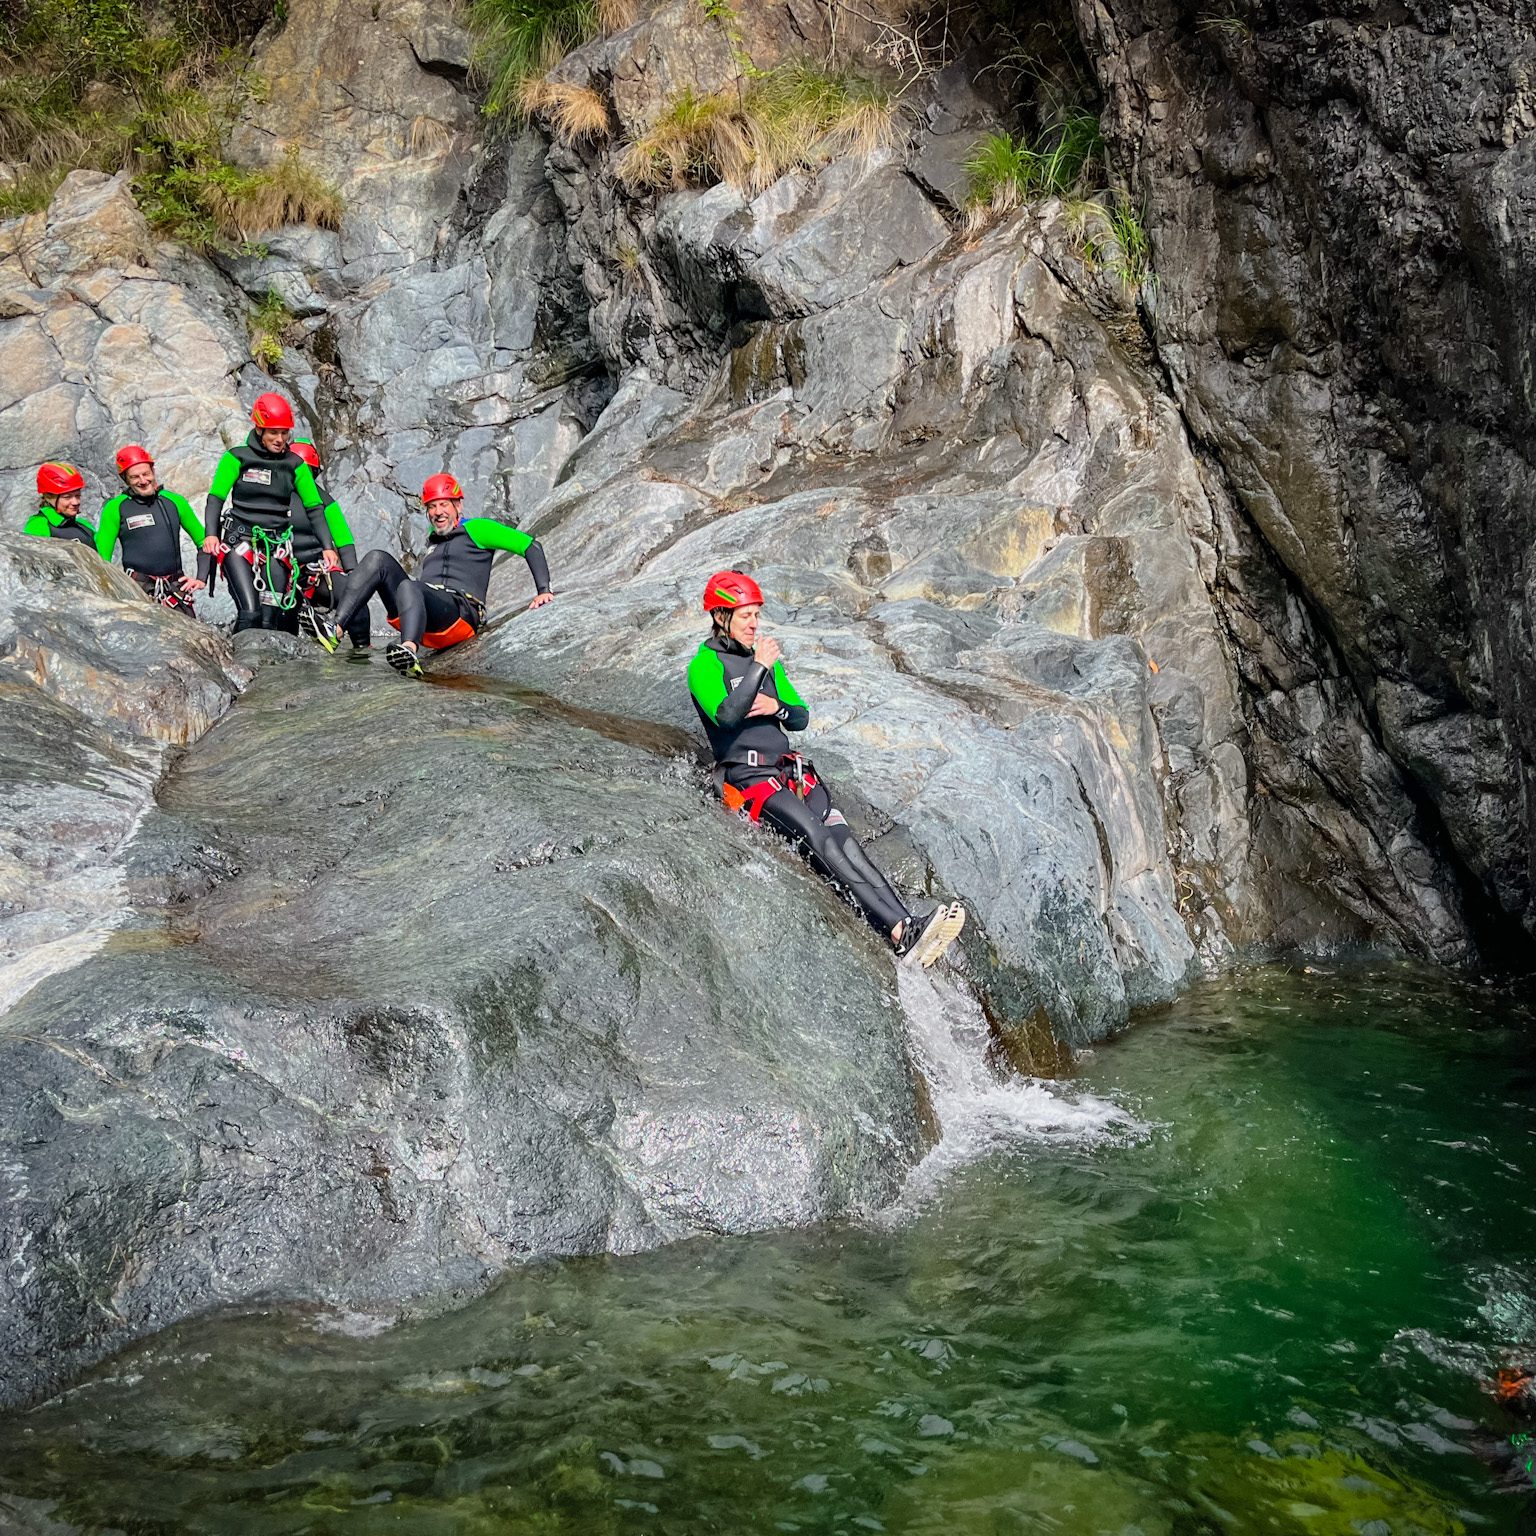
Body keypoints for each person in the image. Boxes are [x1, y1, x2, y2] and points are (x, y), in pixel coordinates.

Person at [687, 569, 965, 967]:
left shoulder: (763, 660)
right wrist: (760, 668)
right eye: (745, 615)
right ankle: (900, 931)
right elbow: (728, 717)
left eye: (756, 615)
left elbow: (799, 716)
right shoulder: (704, 665)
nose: (754, 624)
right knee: (818, 837)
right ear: (720, 617)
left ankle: (907, 922)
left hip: (787, 770)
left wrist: (776, 706)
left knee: (844, 839)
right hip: (748, 778)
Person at [307, 473, 554, 676]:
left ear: (458, 505)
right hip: (426, 613)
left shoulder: (478, 528)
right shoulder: (432, 538)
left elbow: (530, 545)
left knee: (410, 586)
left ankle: (409, 649)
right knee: (377, 558)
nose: (437, 512)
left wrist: (544, 590)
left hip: (460, 612)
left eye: (444, 504)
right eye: (432, 506)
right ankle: (335, 630)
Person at [204, 393, 339, 633]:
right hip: (239, 543)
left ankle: (269, 669)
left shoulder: (295, 464)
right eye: (273, 432)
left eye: (284, 433)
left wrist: (328, 547)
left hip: (276, 546)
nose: (279, 439)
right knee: (250, 611)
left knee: (271, 617)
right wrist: (211, 535)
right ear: (259, 429)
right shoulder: (236, 458)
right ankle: (239, 665)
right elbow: (215, 499)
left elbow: (315, 509)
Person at [95, 445, 211, 616]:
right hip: (137, 590)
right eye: (135, 477)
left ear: (153, 471)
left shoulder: (174, 502)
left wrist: (201, 578)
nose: (143, 481)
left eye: (146, 474)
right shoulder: (115, 508)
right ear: (125, 479)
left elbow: (204, 542)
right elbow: (100, 559)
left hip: (175, 589)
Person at [289, 437, 369, 649]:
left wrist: (352, 575)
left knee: (357, 603)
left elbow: (343, 540)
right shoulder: (275, 497)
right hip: (283, 573)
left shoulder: (326, 501)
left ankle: (362, 651)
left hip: (317, 575)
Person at [25, 462, 97, 547]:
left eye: (78, 495)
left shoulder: (85, 526)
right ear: (49, 497)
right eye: (67, 497)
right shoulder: (38, 526)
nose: (76, 502)